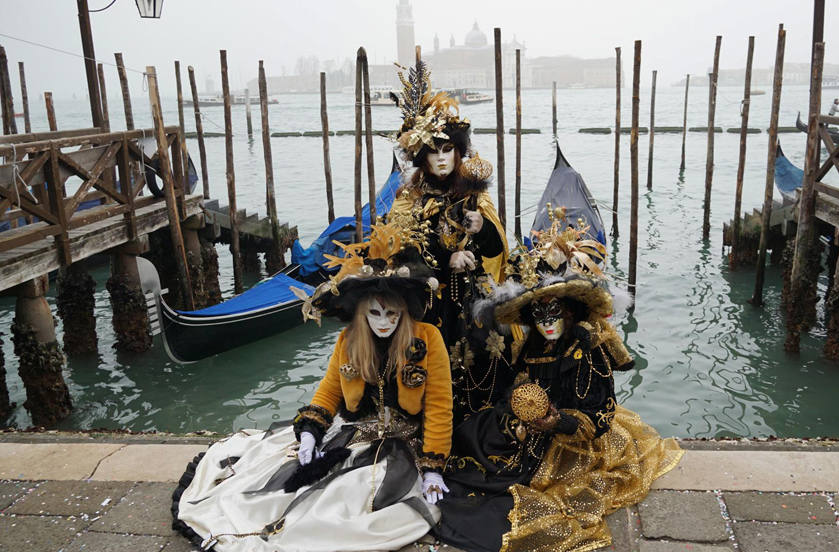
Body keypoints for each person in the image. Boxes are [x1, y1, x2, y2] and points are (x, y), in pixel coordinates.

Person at [171, 226, 453, 552]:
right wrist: (311, 432)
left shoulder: (427, 339)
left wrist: (434, 467)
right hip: (358, 432)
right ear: (362, 313)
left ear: (403, 311)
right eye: (375, 313)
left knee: (350, 500)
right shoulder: (348, 341)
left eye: (392, 314)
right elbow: (330, 391)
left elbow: (438, 405)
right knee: (289, 485)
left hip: (406, 441)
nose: (384, 322)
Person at [434, 233, 683, 552]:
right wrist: (519, 409)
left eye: (554, 312)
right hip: (532, 430)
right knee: (473, 438)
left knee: (527, 488)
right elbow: (520, 383)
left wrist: (558, 423)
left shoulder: (585, 351)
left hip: (571, 442)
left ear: (569, 310)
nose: (547, 321)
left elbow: (600, 416)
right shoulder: (533, 345)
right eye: (538, 314)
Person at [387, 60, 511, 419]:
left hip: (475, 299)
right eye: (433, 152)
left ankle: (481, 422)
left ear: (459, 153)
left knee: (487, 360)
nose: (441, 159)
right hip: (432, 301)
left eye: (447, 151)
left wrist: (481, 228)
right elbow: (402, 253)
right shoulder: (409, 200)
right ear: (422, 157)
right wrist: (446, 261)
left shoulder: (476, 196)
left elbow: (496, 250)